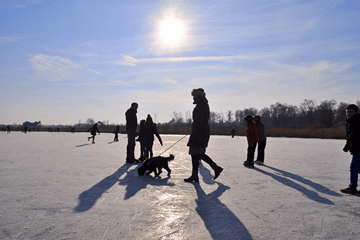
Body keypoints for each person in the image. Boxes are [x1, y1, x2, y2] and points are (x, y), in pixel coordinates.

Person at [184, 88, 223, 182]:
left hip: (199, 132)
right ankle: (198, 174)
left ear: (197, 97)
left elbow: (200, 121)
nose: (193, 98)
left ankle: (199, 174)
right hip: (201, 131)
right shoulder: (202, 105)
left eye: (194, 96)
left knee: (196, 153)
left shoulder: (201, 106)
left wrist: (194, 130)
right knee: (198, 154)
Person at [340, 104, 360, 194]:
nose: (348, 113)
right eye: (347, 112)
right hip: (354, 149)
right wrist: (347, 145)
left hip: (359, 149)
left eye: (351, 112)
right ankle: (353, 187)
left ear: (356, 112)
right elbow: (349, 136)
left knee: (354, 168)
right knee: (356, 168)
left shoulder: (358, 120)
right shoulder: (349, 122)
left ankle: (352, 187)